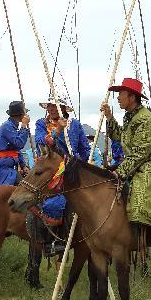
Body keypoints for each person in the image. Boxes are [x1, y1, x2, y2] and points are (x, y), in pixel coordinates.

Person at [102, 77, 151, 244]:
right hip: (134, 162)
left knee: (142, 190)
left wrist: (120, 172)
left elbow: (140, 153)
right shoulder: (130, 117)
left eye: (121, 94)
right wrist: (109, 117)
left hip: (149, 164)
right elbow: (120, 136)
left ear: (131, 97)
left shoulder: (144, 119)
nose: (118, 98)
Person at [34, 96, 90, 255]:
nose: (51, 108)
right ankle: (49, 239)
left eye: (55, 106)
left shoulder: (75, 125)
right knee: (49, 200)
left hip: (70, 167)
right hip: (47, 168)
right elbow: (41, 143)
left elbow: (84, 148)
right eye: (50, 105)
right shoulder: (41, 123)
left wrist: (79, 162)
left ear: (64, 109)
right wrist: (57, 131)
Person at [0, 101, 30, 191]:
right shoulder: (7, 126)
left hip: (8, 165)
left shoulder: (13, 127)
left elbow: (16, 150)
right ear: (21, 115)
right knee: (23, 189)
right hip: (4, 168)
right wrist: (24, 125)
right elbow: (19, 143)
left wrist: (23, 166)